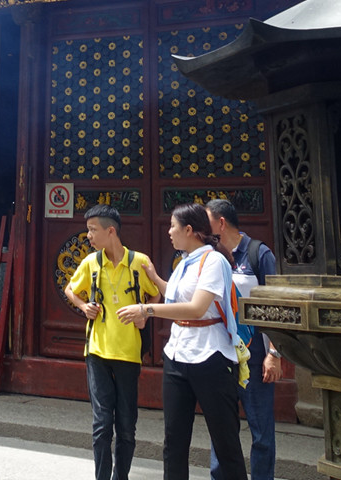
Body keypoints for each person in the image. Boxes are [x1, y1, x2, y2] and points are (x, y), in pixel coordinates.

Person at [130, 203, 248, 480]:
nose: (169, 231)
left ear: (189, 230)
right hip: (178, 353)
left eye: (173, 226)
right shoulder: (186, 261)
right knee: (174, 440)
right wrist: (155, 278)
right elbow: (176, 295)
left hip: (211, 356)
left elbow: (196, 308)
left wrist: (147, 310)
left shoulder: (215, 261)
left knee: (225, 441)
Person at [64, 204, 161, 480]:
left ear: (111, 231)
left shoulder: (139, 262)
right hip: (97, 353)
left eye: (93, 230)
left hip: (129, 355)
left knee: (127, 426)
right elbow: (71, 288)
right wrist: (84, 307)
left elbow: (156, 295)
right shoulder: (90, 263)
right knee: (102, 424)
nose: (89, 236)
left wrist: (146, 313)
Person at [206, 199, 280, 480]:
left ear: (221, 223)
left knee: (260, 429)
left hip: (256, 353)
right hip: (222, 351)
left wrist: (275, 353)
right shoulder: (210, 256)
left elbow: (275, 307)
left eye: (207, 221)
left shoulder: (258, 253)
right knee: (221, 425)